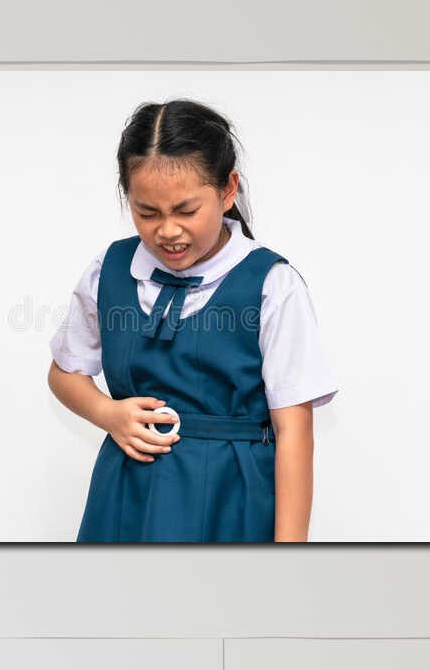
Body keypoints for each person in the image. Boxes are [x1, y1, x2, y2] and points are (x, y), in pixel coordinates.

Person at [48, 99, 338, 542]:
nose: (167, 230)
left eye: (186, 211)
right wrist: (108, 413)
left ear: (227, 190)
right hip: (128, 492)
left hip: (232, 497)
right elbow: (65, 373)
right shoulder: (110, 269)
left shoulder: (271, 285)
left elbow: (294, 429)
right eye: (147, 212)